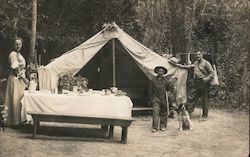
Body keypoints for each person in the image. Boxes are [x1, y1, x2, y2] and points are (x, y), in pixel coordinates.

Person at [5, 37, 28, 126]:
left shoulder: (19, 54)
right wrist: (24, 79)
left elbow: (21, 67)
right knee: (14, 99)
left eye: (20, 44)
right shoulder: (12, 54)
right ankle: (14, 122)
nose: (18, 46)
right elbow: (15, 69)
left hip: (20, 80)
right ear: (13, 45)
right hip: (15, 79)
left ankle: (18, 120)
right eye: (16, 44)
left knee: (19, 100)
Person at [186, 51, 214, 121]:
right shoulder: (195, 63)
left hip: (203, 83)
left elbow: (212, 73)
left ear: (202, 55)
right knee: (191, 97)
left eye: (199, 54)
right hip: (195, 83)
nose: (197, 56)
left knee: (204, 99)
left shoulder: (206, 63)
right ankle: (188, 114)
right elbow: (190, 67)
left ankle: (204, 116)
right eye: (196, 55)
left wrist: (206, 78)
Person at [149, 66, 171, 132]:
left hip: (164, 98)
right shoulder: (153, 80)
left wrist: (169, 94)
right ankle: (155, 127)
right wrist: (152, 98)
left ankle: (163, 126)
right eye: (159, 71)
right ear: (157, 72)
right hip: (156, 98)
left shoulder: (166, 81)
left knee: (164, 112)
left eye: (162, 72)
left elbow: (169, 89)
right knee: (155, 113)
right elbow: (150, 90)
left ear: (163, 73)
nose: (160, 73)